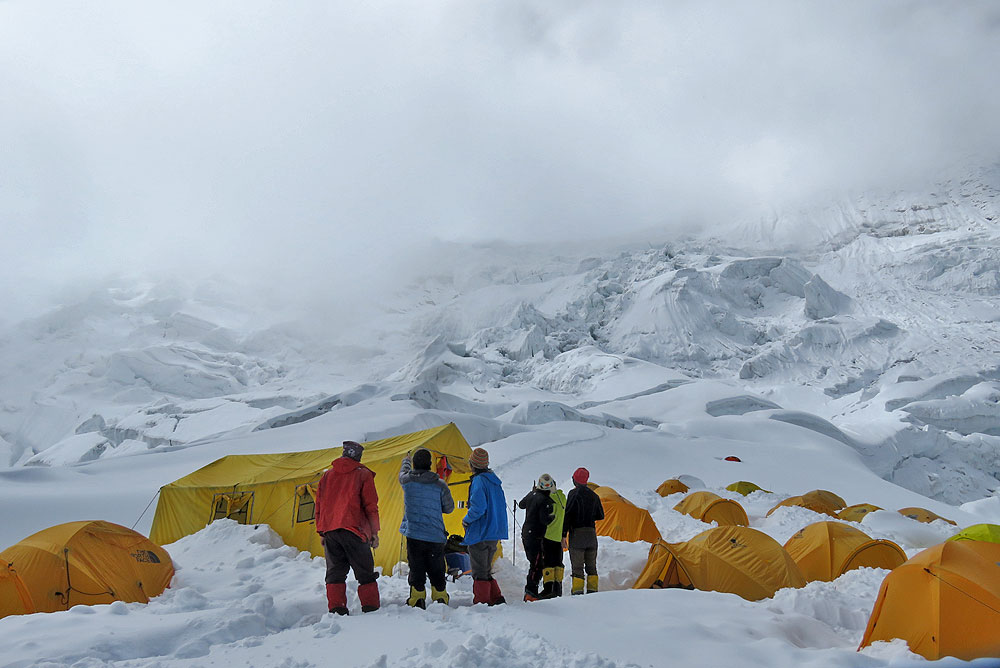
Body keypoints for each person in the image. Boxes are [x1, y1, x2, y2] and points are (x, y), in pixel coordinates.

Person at [315, 440, 381, 615]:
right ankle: (371, 608)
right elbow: (371, 505)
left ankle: (337, 609)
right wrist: (374, 532)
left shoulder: (327, 476)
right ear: (359, 457)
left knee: (335, 573)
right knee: (365, 572)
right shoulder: (363, 475)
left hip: (330, 531)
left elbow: (319, 506)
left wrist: (322, 530)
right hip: (355, 530)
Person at [398, 447, 455, 608]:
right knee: (436, 566)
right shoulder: (440, 484)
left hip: (414, 533)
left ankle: (417, 598)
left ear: (415, 464)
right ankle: (440, 596)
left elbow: (402, 473)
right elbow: (449, 508)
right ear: (430, 465)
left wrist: (406, 460)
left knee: (416, 566)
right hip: (435, 534)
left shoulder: (407, 481)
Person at [462, 446, 508, 605]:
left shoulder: (479, 481)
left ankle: (482, 602)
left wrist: (466, 520)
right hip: (494, 531)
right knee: (486, 569)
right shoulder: (494, 481)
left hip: (480, 531)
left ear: (472, 464)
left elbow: (478, 508)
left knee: (479, 570)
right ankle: (496, 598)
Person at [562, 467, 604, 595]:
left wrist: (563, 535)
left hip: (577, 535)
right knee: (592, 568)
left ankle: (578, 595)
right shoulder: (594, 495)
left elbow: (567, 515)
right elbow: (600, 515)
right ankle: (593, 593)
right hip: (591, 535)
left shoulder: (572, 494)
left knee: (578, 569)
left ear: (574, 480)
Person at [518, 474, 555, 601]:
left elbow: (521, 505)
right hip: (536, 535)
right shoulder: (545, 500)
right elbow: (544, 520)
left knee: (534, 563)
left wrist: (532, 493)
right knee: (537, 565)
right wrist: (552, 517)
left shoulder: (532, 495)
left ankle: (530, 592)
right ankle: (531, 593)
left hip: (526, 533)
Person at [541, 475, 567, 598]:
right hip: (558, 536)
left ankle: (548, 589)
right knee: (558, 563)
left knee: (548, 563)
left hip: (547, 535)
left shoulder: (547, 498)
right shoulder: (562, 497)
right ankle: (558, 588)